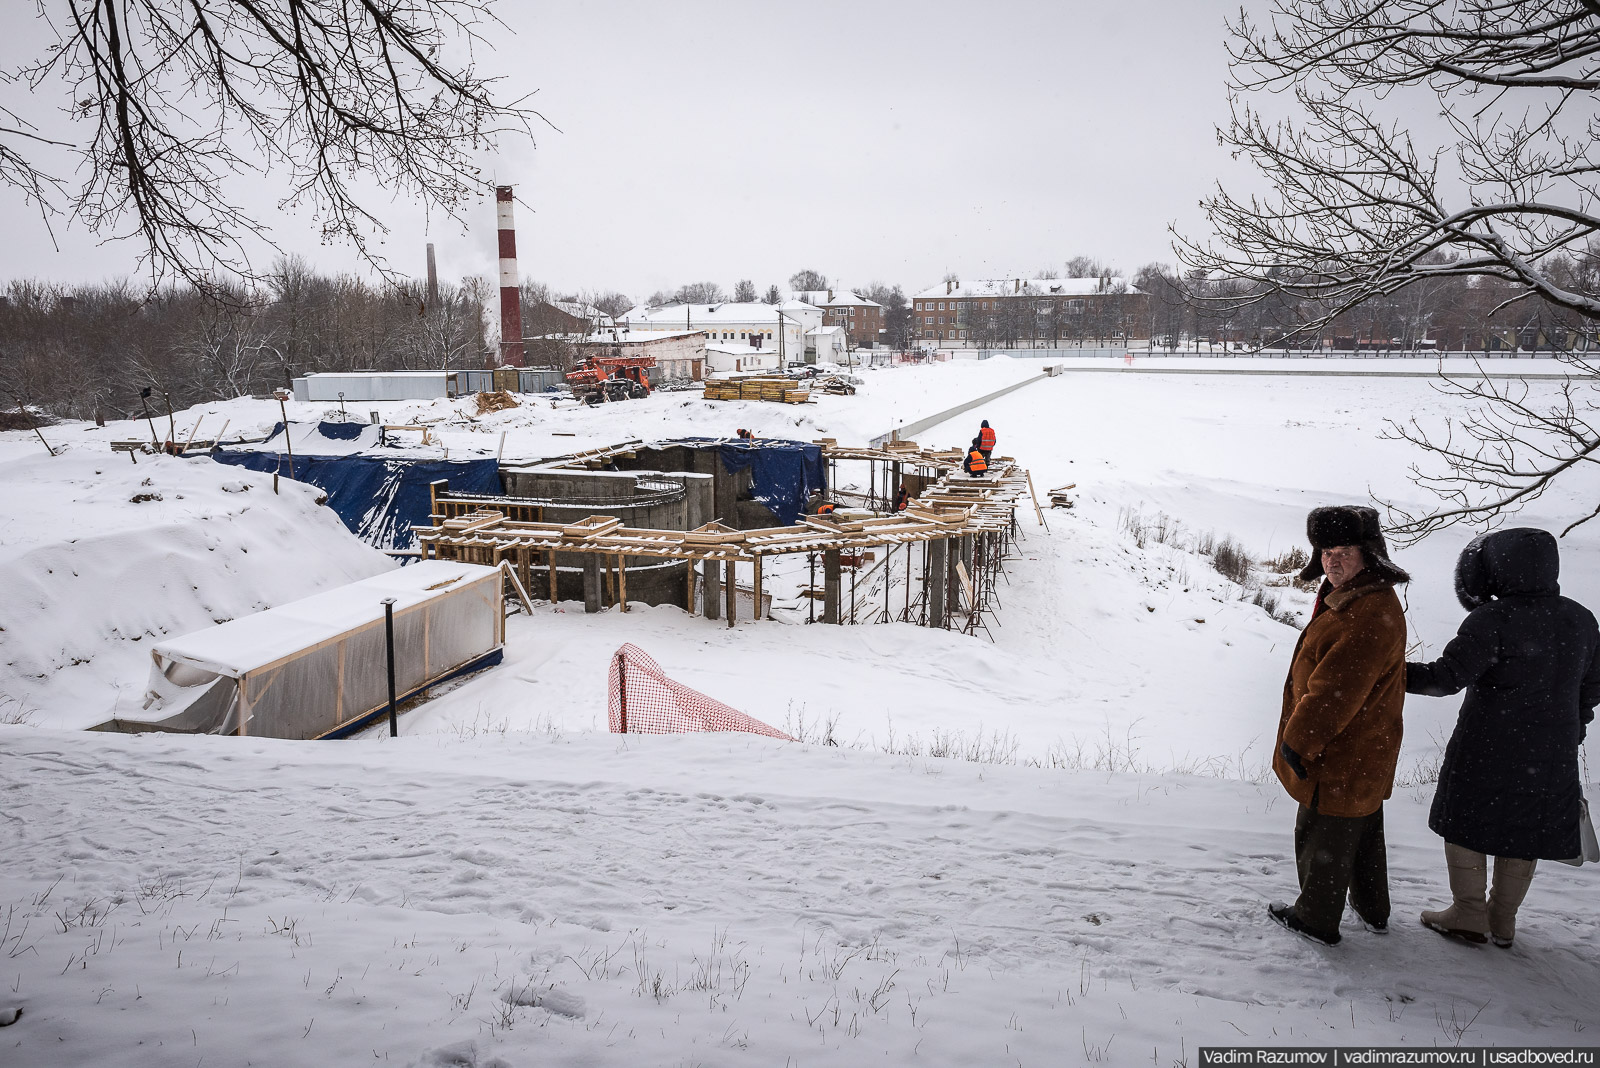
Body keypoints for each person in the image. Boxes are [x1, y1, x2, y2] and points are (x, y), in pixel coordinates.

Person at [1405, 529, 1600, 947]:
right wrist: (1574, 725)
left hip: (1487, 745)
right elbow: (1593, 686)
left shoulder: (1494, 618)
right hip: (1552, 751)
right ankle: (1503, 919)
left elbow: (1446, 678)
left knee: (1466, 823)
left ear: (1498, 568)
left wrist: (1392, 672)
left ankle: (1469, 913)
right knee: (1524, 829)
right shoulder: (1581, 619)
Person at [1269, 505, 1410, 946]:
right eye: (1326, 550)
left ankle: (1315, 918)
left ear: (1369, 553)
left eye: (1344, 551)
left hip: (1339, 750)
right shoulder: (1365, 598)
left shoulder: (1365, 612)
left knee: (1322, 831)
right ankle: (1372, 909)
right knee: (1363, 827)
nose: (1332, 561)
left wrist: (1298, 741)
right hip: (1365, 747)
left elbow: (1334, 692)